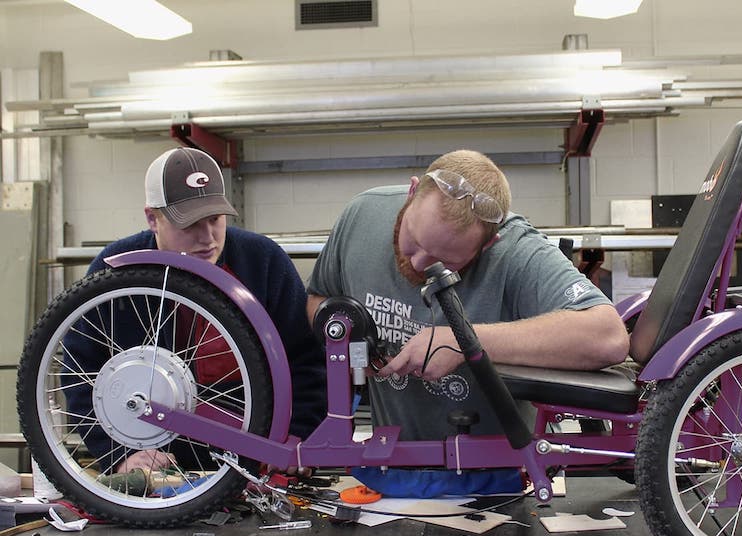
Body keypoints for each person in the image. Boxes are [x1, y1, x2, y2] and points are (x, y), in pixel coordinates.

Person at [306, 150, 630, 495]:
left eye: (441, 262)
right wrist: (354, 346)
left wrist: (464, 341)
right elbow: (318, 300)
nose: (416, 263)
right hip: (391, 475)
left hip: (494, 484)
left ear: (488, 243)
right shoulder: (362, 216)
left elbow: (608, 337)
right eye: (413, 241)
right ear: (413, 192)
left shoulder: (516, 251)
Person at [68, 147, 326, 475]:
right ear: (152, 218)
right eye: (189, 224)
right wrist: (118, 454)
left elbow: (306, 361)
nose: (207, 239)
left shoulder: (262, 262)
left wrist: (297, 437)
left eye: (215, 219)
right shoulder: (114, 272)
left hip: (255, 458)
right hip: (156, 466)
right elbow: (78, 370)